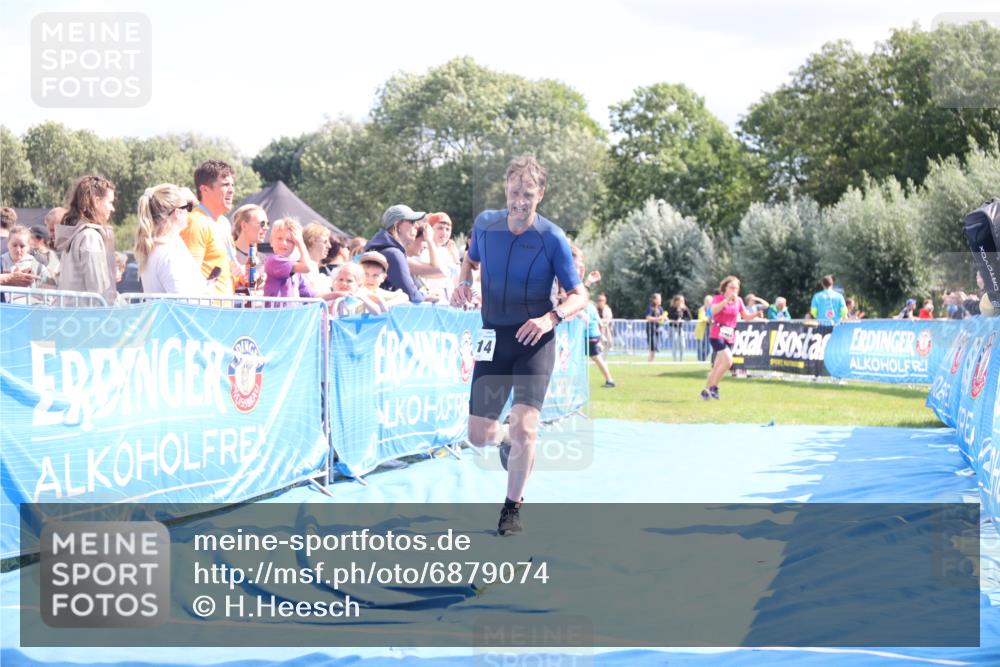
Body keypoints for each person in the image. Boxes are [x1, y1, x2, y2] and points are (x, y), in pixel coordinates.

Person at [453, 155, 587, 537]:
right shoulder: (485, 224)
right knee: (478, 435)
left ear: (540, 194)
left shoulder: (552, 238)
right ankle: (507, 437)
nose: (520, 201)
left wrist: (551, 318)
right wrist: (463, 281)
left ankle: (512, 508)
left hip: (534, 340)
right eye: (514, 192)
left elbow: (579, 295)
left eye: (528, 194)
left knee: (527, 427)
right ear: (505, 189)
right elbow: (470, 259)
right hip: (492, 340)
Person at [134, 183, 213, 294]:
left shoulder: (158, 247)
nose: (190, 212)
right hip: (183, 311)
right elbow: (182, 303)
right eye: (188, 207)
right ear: (177, 212)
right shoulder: (168, 253)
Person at [55, 175, 118, 303]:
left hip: (75, 315)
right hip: (88, 318)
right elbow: (98, 289)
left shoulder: (77, 234)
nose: (113, 209)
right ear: (97, 201)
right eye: (110, 202)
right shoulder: (90, 237)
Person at [180, 160, 235, 295]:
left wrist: (242, 280)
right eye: (225, 185)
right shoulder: (195, 222)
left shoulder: (224, 223)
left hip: (226, 310)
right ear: (204, 189)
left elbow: (224, 269)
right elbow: (189, 276)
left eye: (232, 185)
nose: (232, 190)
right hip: (207, 311)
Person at [702, 275, 761, 400]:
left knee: (717, 366)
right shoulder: (718, 298)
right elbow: (712, 312)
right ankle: (714, 388)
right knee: (728, 362)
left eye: (736, 288)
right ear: (725, 288)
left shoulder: (739, 301)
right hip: (717, 333)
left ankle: (705, 392)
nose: (734, 290)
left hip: (729, 335)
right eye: (731, 287)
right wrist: (726, 300)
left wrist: (756, 314)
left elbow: (746, 317)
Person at [364, 205, 428, 303]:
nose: (417, 226)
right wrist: (425, 296)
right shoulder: (394, 254)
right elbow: (413, 296)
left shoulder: (380, 249)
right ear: (397, 225)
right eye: (412, 222)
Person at [264, 217, 318, 306]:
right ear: (271, 241)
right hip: (276, 317)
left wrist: (338, 294)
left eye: (289, 240)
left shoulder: (296, 271)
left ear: (294, 245)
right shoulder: (273, 260)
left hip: (289, 317)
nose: (284, 243)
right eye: (279, 238)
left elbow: (313, 295)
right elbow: (307, 267)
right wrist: (301, 243)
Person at [417, 212, 461, 302]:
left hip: (448, 303)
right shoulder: (424, 252)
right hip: (432, 303)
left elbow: (457, 283)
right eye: (440, 228)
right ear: (430, 230)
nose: (444, 232)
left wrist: (456, 259)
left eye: (448, 229)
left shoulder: (447, 252)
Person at [302, 222, 334, 294]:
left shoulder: (312, 266)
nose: (329, 246)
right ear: (311, 243)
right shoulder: (304, 267)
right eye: (325, 242)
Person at [666, 294, 692, 362]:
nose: (683, 302)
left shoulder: (684, 308)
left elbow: (689, 317)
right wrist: (678, 311)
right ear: (677, 301)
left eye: (683, 300)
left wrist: (685, 309)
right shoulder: (672, 308)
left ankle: (681, 360)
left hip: (680, 328)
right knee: (674, 344)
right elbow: (672, 316)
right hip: (673, 328)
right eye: (681, 300)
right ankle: (674, 360)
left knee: (683, 345)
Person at [645, 293, 666, 362]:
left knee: (655, 345)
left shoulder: (660, 308)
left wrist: (665, 318)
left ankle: (652, 360)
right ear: (654, 300)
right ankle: (650, 361)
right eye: (659, 299)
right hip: (651, 328)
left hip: (658, 329)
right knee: (652, 345)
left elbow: (663, 316)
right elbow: (648, 317)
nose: (660, 300)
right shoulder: (650, 307)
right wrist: (658, 318)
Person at [694, 295, 713, 362]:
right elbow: (701, 318)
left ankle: (703, 359)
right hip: (701, 330)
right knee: (700, 347)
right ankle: (700, 360)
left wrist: (710, 320)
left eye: (710, 301)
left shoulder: (712, 309)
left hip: (709, 330)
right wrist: (708, 319)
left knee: (707, 348)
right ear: (705, 301)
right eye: (707, 301)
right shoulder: (701, 309)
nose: (709, 302)